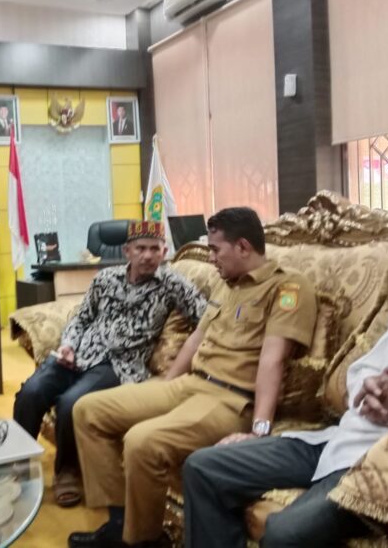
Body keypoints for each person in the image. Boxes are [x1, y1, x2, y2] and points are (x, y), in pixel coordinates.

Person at [183, 198, 388, 548]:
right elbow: (365, 366)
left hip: (386, 464)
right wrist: (369, 389)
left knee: (284, 533)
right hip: (340, 437)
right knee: (203, 468)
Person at [69, 207, 317, 548]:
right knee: (87, 411)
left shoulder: (288, 287)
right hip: (190, 384)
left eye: (216, 250)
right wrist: (167, 384)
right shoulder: (225, 284)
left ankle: (142, 541)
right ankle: (120, 524)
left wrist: (260, 430)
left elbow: (272, 361)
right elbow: (195, 340)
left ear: (243, 247)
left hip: (230, 400)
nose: (210, 258)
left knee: (141, 441)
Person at [13, 221, 207, 508]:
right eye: (141, 249)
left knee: (72, 403)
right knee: (31, 392)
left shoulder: (172, 283)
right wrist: (68, 344)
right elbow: (82, 317)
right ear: (127, 251)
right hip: (78, 354)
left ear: (164, 251)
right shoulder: (105, 278)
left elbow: (206, 316)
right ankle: (17, 466)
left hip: (120, 365)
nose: (148, 255)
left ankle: (67, 472)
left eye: (155, 249)